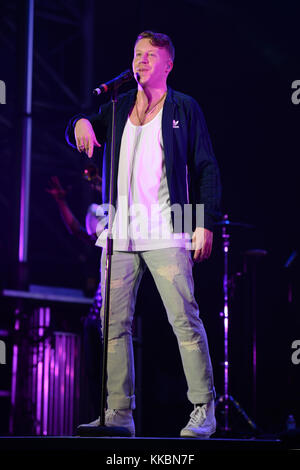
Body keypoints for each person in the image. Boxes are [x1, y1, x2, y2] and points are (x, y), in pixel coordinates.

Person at [66, 30, 221, 438]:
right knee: (113, 323)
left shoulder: (184, 108)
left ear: (168, 64)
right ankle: (119, 414)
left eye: (151, 55)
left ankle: (204, 409)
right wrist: (81, 121)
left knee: (184, 320)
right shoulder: (116, 108)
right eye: (137, 54)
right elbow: (78, 129)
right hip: (120, 231)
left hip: (170, 228)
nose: (141, 61)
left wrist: (203, 223)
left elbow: (205, 166)